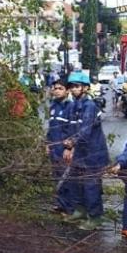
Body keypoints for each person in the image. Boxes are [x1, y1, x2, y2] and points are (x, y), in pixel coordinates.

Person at [62, 71, 110, 230]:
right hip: (79, 153)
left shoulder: (90, 106)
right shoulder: (73, 106)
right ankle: (80, 210)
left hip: (93, 154)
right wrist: (67, 146)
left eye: (77, 86)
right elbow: (69, 127)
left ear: (85, 88)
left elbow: (85, 131)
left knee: (91, 186)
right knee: (75, 182)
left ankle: (95, 217)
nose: (74, 89)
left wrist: (72, 143)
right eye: (72, 87)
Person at [47, 78, 73, 213]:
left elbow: (75, 130)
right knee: (57, 176)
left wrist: (70, 148)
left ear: (67, 91)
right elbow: (51, 128)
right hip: (54, 148)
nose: (56, 91)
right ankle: (60, 204)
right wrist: (47, 144)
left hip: (64, 150)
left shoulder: (71, 107)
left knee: (66, 178)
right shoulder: (53, 106)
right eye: (55, 88)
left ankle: (69, 207)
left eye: (60, 88)